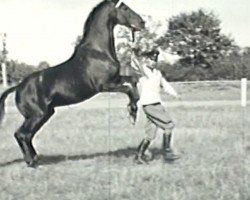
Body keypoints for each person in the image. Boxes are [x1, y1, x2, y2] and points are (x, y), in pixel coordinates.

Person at [134, 49, 181, 164]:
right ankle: (167, 152)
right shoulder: (143, 71)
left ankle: (139, 156)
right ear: (146, 60)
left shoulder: (157, 73)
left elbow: (165, 85)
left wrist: (174, 94)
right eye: (151, 59)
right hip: (149, 104)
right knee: (169, 125)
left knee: (150, 134)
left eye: (155, 59)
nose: (153, 62)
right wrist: (134, 50)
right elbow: (135, 61)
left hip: (156, 103)